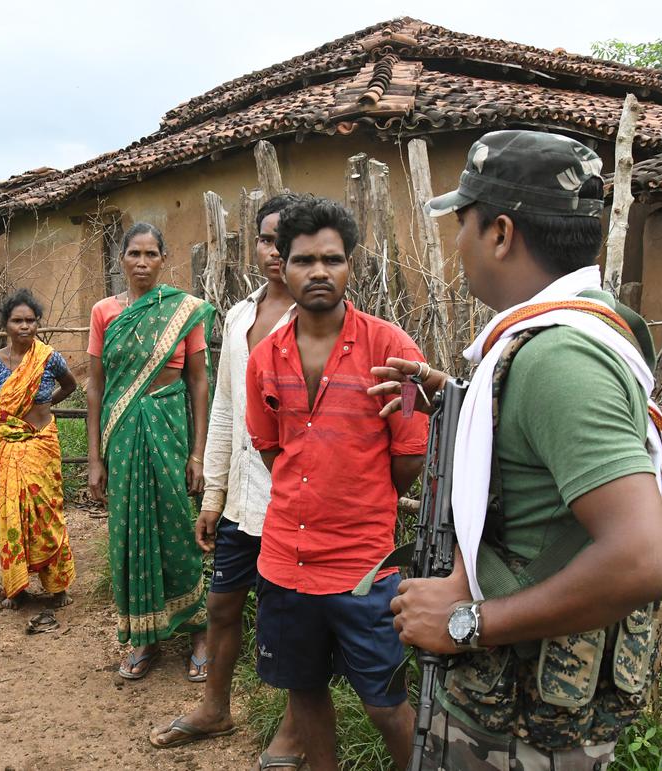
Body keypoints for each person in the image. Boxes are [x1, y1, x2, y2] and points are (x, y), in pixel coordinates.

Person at [370, 130, 662, 770]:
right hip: (510, 713)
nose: (457, 243)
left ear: (501, 233)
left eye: (464, 222)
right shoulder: (550, 340)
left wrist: (466, 623)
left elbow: (645, 560)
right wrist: (457, 403)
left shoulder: (559, 359)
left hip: (522, 732)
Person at [245, 196, 428, 771]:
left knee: (384, 702)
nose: (318, 271)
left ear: (351, 266)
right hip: (286, 560)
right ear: (283, 265)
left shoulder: (391, 351)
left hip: (364, 566)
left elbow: (408, 458)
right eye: (304, 260)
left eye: (332, 259)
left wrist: (353, 489)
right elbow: (274, 448)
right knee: (304, 691)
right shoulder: (264, 357)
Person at [150, 194, 306, 769]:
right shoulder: (240, 314)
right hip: (241, 498)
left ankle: (294, 729)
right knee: (221, 606)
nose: (275, 251)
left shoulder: (318, 317)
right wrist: (213, 495)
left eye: (287, 240)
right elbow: (223, 407)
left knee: (289, 618)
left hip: (293, 499)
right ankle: (215, 707)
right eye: (267, 239)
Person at [86, 222, 214, 681]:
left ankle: (199, 631)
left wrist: (198, 453)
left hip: (171, 430)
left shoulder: (182, 311)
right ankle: (143, 635)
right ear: (120, 259)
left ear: (163, 259)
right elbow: (96, 386)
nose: (142, 263)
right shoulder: (104, 312)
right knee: (129, 529)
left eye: (151, 254)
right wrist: (95, 459)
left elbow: (198, 381)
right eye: (134, 254)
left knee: (179, 525)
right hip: (121, 437)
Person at [0, 288, 78, 616]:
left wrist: (47, 404)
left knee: (47, 512)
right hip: (7, 447)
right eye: (17, 320)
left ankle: (57, 583)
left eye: (30, 320)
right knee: (12, 517)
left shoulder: (49, 358)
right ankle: (16, 586)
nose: (24, 326)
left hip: (41, 444)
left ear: (38, 324)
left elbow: (70, 385)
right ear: (5, 325)